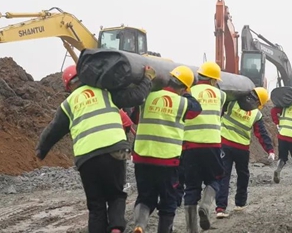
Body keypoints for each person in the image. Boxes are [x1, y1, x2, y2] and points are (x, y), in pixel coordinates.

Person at [36, 64, 155, 233]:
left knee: (96, 205)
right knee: (116, 195)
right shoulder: (106, 91)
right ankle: (115, 229)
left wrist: (41, 151)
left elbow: (53, 130)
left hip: (86, 157)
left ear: (68, 86)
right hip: (115, 149)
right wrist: (147, 79)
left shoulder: (68, 103)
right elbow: (135, 96)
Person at [130, 66, 202, 233]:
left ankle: (140, 224)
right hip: (168, 160)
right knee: (168, 202)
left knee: (145, 197)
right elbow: (197, 109)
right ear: (184, 88)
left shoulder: (148, 96)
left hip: (142, 158)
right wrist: (187, 93)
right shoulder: (182, 103)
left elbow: (134, 118)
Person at [215, 87, 274, 218]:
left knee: (224, 175)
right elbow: (261, 133)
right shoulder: (256, 114)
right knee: (243, 175)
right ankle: (240, 204)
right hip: (241, 149)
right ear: (260, 103)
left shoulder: (231, 103)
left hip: (224, 144)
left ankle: (220, 208)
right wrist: (269, 150)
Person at [182, 62, 226, 232]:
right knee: (215, 178)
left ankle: (191, 229)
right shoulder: (221, 95)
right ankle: (206, 206)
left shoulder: (188, 93)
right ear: (214, 80)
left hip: (189, 145)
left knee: (191, 187)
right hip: (212, 143)